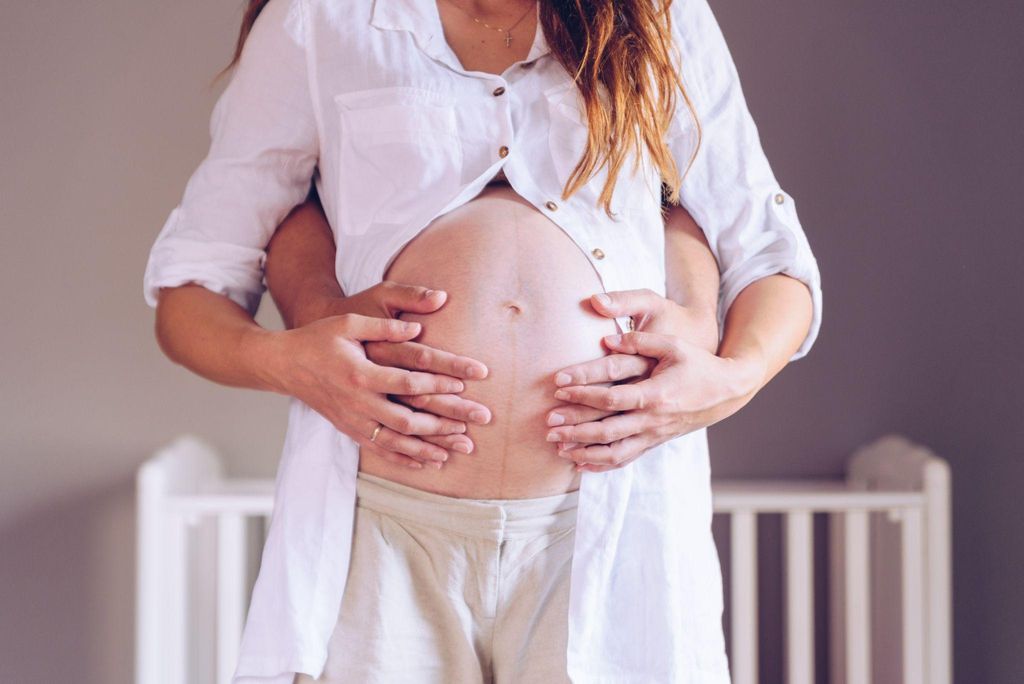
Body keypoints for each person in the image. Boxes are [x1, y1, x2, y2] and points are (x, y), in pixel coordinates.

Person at [143, 0, 822, 682]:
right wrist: (289, 361)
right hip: (380, 530)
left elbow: (769, 257)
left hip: (610, 529)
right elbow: (190, 293)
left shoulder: (656, 16)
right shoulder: (320, 19)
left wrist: (728, 380)